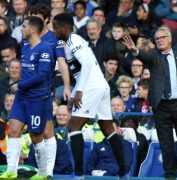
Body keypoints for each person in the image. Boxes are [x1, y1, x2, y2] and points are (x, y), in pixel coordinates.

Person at [52, 13, 127, 178]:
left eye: (55, 27)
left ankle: (78, 174)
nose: (54, 30)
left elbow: (86, 64)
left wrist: (79, 92)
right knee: (107, 128)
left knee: (73, 127)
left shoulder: (74, 40)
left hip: (91, 87)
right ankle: (123, 171)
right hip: (99, 86)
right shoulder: (73, 41)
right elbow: (80, 72)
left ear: (64, 28)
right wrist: (73, 94)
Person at [123, 28, 177, 178]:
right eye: (156, 39)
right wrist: (135, 50)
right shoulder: (154, 56)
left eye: (162, 37)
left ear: (170, 39)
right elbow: (143, 56)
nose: (159, 40)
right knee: (166, 144)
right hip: (161, 106)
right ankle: (170, 176)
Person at [0, 16, 53, 179]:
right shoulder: (24, 46)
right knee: (14, 130)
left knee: (36, 136)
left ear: (33, 30)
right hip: (22, 98)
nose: (21, 29)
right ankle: (11, 170)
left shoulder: (45, 48)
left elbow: (43, 75)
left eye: (24, 26)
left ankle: (43, 172)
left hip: (37, 98)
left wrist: (20, 85)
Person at [29, 4, 71, 177]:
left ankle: (48, 171)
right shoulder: (28, 36)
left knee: (46, 130)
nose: (33, 21)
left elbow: (62, 63)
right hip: (28, 89)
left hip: (45, 87)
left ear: (46, 19)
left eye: (37, 17)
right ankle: (39, 169)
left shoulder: (54, 39)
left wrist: (67, 86)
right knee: (32, 131)